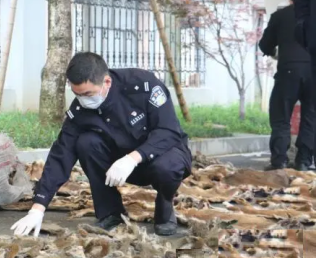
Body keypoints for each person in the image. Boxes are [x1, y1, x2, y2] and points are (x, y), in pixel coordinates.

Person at [11, 52, 192, 237]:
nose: (83, 100)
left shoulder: (143, 85)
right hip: (118, 168)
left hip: (160, 157)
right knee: (86, 143)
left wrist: (132, 159)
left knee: (168, 166)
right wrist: (37, 208)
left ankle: (165, 207)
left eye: (88, 93)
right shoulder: (80, 109)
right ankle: (111, 213)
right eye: (77, 94)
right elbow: (61, 154)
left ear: (106, 82)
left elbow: (168, 131)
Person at [259, 0, 314, 171]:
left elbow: (265, 44)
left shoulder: (281, 15)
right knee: (311, 116)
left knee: (281, 116)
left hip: (288, 71)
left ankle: (279, 161)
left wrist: (277, 53)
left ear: (292, 1)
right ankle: (304, 161)